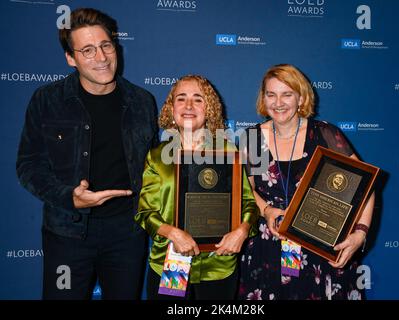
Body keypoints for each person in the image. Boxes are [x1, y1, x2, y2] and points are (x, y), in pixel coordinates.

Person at [16, 8, 159, 299]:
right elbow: (29, 165)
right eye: (88, 50)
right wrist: (69, 196)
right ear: (71, 58)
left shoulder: (142, 102)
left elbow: (154, 168)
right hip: (67, 236)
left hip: (127, 235)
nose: (102, 57)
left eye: (106, 46)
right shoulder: (47, 100)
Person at [238, 64, 375, 300]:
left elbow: (365, 187)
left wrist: (360, 233)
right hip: (269, 246)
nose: (278, 102)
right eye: (271, 94)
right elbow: (248, 189)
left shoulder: (325, 135)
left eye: (287, 94)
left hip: (319, 247)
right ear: (264, 98)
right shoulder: (254, 138)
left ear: (300, 97)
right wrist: (267, 210)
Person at [135, 75, 258, 300]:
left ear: (208, 108)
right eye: (181, 99)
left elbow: (248, 203)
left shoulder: (227, 152)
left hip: (218, 264)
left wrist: (242, 230)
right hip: (170, 262)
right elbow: (145, 213)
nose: (189, 106)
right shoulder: (157, 157)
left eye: (198, 99)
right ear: (172, 109)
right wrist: (172, 233)